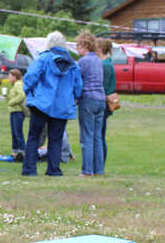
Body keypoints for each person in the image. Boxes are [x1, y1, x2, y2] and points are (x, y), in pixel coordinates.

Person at [21, 31, 82, 177]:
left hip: (41, 103)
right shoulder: (73, 64)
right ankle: (54, 170)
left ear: (48, 43)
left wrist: (29, 92)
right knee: (56, 139)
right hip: (62, 105)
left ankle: (29, 169)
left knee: (34, 137)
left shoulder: (43, 58)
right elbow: (78, 86)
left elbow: (30, 77)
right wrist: (75, 98)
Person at [76, 31, 106, 176]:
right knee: (97, 137)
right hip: (101, 99)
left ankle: (87, 171)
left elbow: (77, 82)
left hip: (88, 99)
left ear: (85, 45)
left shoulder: (83, 61)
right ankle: (99, 170)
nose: (76, 48)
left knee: (86, 136)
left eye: (78, 45)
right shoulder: (98, 60)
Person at [99, 38, 117, 165]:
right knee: (101, 134)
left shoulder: (105, 65)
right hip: (105, 102)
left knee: (100, 136)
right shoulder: (108, 63)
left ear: (100, 49)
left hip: (104, 103)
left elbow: (103, 87)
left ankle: (100, 163)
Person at [6, 68, 28, 161]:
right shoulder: (14, 85)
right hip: (13, 111)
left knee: (18, 132)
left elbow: (22, 95)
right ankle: (14, 152)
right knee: (14, 132)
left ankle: (23, 152)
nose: (9, 78)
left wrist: (12, 102)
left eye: (10, 76)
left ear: (15, 76)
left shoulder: (18, 84)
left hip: (18, 111)